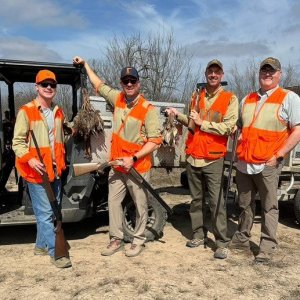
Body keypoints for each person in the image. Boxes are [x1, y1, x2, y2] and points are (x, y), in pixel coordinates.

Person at [73, 56, 163, 257]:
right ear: (122, 84)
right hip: (117, 165)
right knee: (113, 203)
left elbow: (155, 140)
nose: (129, 84)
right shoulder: (117, 98)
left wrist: (135, 158)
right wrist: (86, 64)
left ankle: (138, 239)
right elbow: (99, 84)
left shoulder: (148, 110)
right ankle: (116, 238)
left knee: (140, 204)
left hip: (136, 167)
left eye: (133, 81)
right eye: (125, 81)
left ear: (138, 83)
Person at [229, 57, 300, 263]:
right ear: (259, 73)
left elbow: (297, 130)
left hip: (267, 163)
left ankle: (267, 246)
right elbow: (242, 126)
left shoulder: (289, 98)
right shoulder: (247, 98)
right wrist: (236, 131)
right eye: (264, 71)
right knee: (244, 203)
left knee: (269, 207)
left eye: (272, 71)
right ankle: (242, 237)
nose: (267, 74)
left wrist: (279, 155)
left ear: (279, 74)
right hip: (244, 163)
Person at [166, 59, 238, 259]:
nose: (213, 75)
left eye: (217, 72)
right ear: (206, 73)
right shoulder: (196, 96)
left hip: (213, 158)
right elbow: (192, 124)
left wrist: (203, 123)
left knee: (216, 201)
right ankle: (198, 234)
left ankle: (222, 242)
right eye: (210, 71)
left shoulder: (230, 99)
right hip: (193, 157)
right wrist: (176, 115)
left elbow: (228, 127)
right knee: (196, 200)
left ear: (222, 75)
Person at [12, 69, 72, 268]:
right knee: (46, 213)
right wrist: (29, 159)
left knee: (50, 212)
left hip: (55, 170)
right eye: (44, 84)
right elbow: (17, 142)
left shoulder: (57, 111)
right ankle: (57, 253)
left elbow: (59, 139)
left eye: (52, 85)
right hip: (36, 172)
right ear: (36, 87)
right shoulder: (26, 111)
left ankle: (40, 246)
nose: (49, 88)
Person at [0, 110, 15, 194]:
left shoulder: (6, 124)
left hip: (7, 150)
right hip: (6, 150)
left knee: (8, 166)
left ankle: (2, 187)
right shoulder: (6, 125)